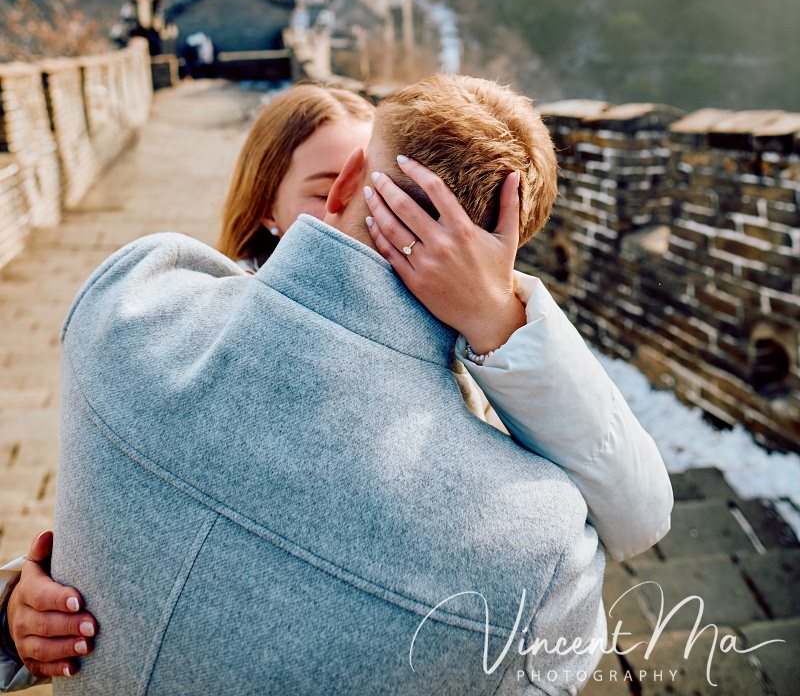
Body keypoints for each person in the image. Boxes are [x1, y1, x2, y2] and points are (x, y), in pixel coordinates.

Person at [0, 79, 672, 689]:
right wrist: (499, 314)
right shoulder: (538, 552)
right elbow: (637, 514)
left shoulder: (127, 310)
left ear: (350, 185)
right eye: (314, 192)